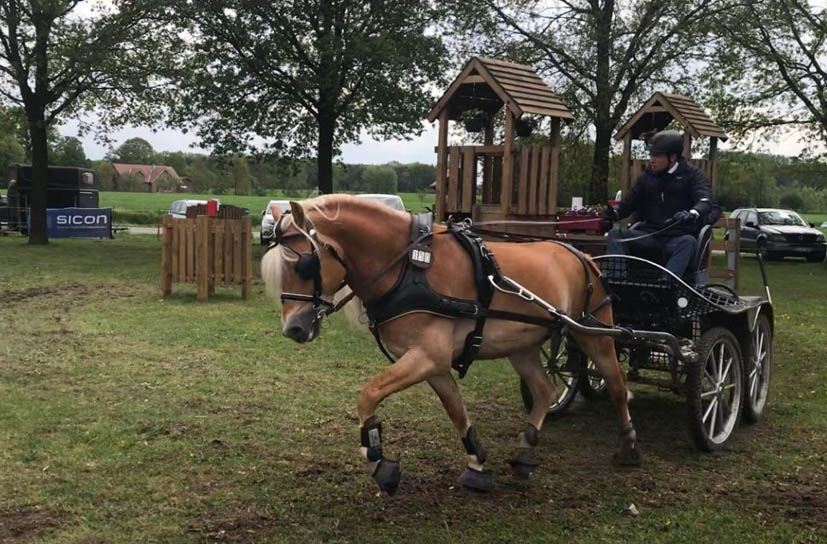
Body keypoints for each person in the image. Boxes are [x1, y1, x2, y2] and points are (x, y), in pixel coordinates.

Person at [603, 130, 713, 278]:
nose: (651, 160)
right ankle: (616, 283)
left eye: (657, 156)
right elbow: (628, 204)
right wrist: (614, 212)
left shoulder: (692, 175)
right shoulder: (647, 177)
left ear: (672, 157)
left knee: (688, 242)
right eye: (650, 155)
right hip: (650, 236)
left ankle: (666, 285)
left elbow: (704, 202)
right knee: (616, 234)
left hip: (677, 237)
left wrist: (692, 213)